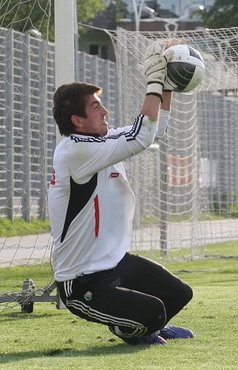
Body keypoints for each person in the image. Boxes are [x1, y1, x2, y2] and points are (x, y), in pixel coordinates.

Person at [48, 40, 193, 345]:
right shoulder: (75, 151)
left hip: (116, 263)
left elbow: (154, 130)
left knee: (180, 294)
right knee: (153, 313)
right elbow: (141, 136)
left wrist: (165, 83)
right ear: (77, 121)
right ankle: (132, 327)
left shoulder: (100, 141)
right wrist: (153, 81)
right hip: (82, 280)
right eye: (95, 106)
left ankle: (143, 322)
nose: (105, 110)